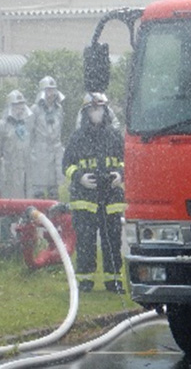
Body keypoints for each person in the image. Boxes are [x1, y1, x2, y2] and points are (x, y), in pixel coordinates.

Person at [62, 92, 126, 293]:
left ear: (106, 110)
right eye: (92, 109)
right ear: (86, 112)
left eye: (99, 109)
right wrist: (79, 176)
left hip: (111, 198)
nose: (96, 113)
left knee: (112, 243)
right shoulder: (77, 137)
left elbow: (128, 161)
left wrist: (120, 175)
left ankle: (113, 281)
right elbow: (66, 165)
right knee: (85, 243)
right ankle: (85, 282)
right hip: (85, 199)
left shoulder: (115, 136)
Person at [30, 76, 65, 199]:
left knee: (54, 189)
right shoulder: (34, 110)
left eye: (53, 90)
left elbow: (60, 128)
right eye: (48, 90)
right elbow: (30, 131)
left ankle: (53, 214)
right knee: (39, 188)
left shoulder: (59, 109)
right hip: (40, 151)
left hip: (55, 149)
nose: (51, 94)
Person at [0, 90, 34, 199]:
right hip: (10, 170)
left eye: (22, 104)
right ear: (10, 106)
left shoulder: (26, 124)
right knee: (11, 202)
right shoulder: (3, 125)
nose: (21, 107)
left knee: (27, 200)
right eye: (17, 104)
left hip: (26, 169)